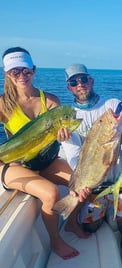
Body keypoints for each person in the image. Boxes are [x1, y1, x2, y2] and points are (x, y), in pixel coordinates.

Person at [0, 47, 90, 260]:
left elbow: (60, 136)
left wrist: (64, 136)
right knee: (51, 194)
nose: (22, 76)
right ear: (7, 73)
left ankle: (71, 223)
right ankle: (55, 241)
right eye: (15, 72)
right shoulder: (3, 104)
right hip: (15, 164)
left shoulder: (50, 101)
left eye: (26, 71)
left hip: (46, 161)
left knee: (84, 183)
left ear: (34, 70)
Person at [61, 63, 122, 268]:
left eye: (83, 79)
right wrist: (83, 183)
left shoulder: (112, 104)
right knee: (91, 228)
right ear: (69, 87)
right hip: (94, 186)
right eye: (73, 82)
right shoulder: (69, 116)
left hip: (120, 181)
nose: (80, 84)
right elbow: (74, 155)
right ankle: (82, 215)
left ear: (91, 81)